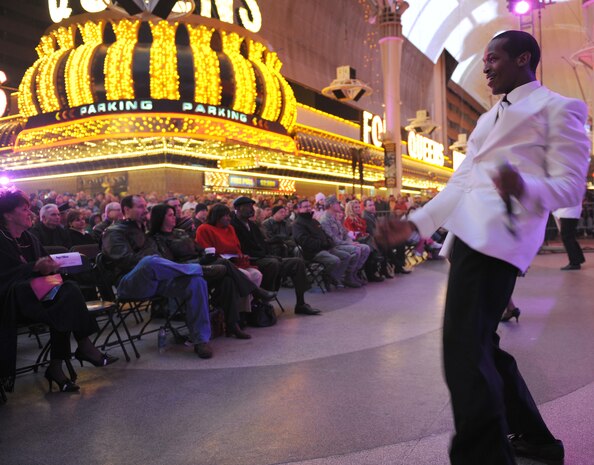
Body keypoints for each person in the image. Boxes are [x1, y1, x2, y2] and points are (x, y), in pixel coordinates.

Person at [376, 30, 590, 465]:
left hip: (499, 240)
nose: (486, 67)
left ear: (523, 58)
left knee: (463, 354)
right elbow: (461, 184)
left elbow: (570, 185)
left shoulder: (559, 108)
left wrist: (524, 185)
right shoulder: (487, 119)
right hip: (467, 239)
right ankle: (537, 441)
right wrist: (416, 225)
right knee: (481, 347)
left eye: (493, 58)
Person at [0, 188, 117, 395]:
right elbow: (7, 277)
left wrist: (53, 266)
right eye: (24, 209)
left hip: (41, 297)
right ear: (7, 214)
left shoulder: (29, 238)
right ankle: (79, 350)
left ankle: (59, 365)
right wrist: (35, 268)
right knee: (66, 297)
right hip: (12, 301)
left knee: (66, 295)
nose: (30, 213)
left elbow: (46, 265)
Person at [102, 195, 214, 359]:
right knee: (150, 261)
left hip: (155, 280)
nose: (145, 210)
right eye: (140, 206)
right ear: (126, 210)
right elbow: (126, 261)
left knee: (195, 281)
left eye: (146, 206)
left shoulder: (144, 231)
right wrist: (157, 262)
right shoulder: (113, 233)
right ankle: (198, 269)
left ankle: (201, 339)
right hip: (129, 283)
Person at [148, 204, 275, 339]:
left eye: (174, 214)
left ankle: (233, 324)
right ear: (160, 218)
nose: (175, 217)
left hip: (201, 265)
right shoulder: (156, 239)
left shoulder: (180, 232)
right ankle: (254, 291)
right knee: (224, 266)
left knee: (228, 279)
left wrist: (205, 255)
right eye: (170, 215)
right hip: (184, 271)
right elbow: (169, 263)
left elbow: (199, 249)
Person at [231, 196, 321, 316]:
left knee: (297, 262)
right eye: (247, 206)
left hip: (264, 257)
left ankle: (301, 304)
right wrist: (267, 255)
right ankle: (263, 303)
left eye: (251, 206)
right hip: (250, 261)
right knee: (272, 264)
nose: (251, 209)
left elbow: (263, 244)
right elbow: (243, 249)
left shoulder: (252, 226)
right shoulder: (233, 226)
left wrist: (271, 254)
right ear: (237, 209)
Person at [291, 199, 351, 290]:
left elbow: (324, 234)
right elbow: (305, 242)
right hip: (313, 252)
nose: (308, 208)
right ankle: (326, 276)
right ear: (299, 209)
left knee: (346, 256)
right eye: (305, 207)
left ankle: (334, 277)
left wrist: (329, 242)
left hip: (325, 248)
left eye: (309, 206)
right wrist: (323, 244)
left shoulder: (314, 221)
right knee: (335, 260)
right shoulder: (297, 224)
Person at [319, 196, 370, 287]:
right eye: (337, 203)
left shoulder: (334, 218)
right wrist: (349, 243)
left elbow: (345, 233)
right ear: (331, 205)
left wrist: (350, 241)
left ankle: (354, 273)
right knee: (356, 250)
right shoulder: (325, 220)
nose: (339, 205)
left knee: (365, 248)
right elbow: (332, 238)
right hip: (334, 246)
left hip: (343, 244)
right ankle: (348, 277)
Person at [553, 203, 585, 270]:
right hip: (570, 212)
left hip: (569, 213)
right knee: (569, 236)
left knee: (567, 237)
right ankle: (578, 258)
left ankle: (574, 263)